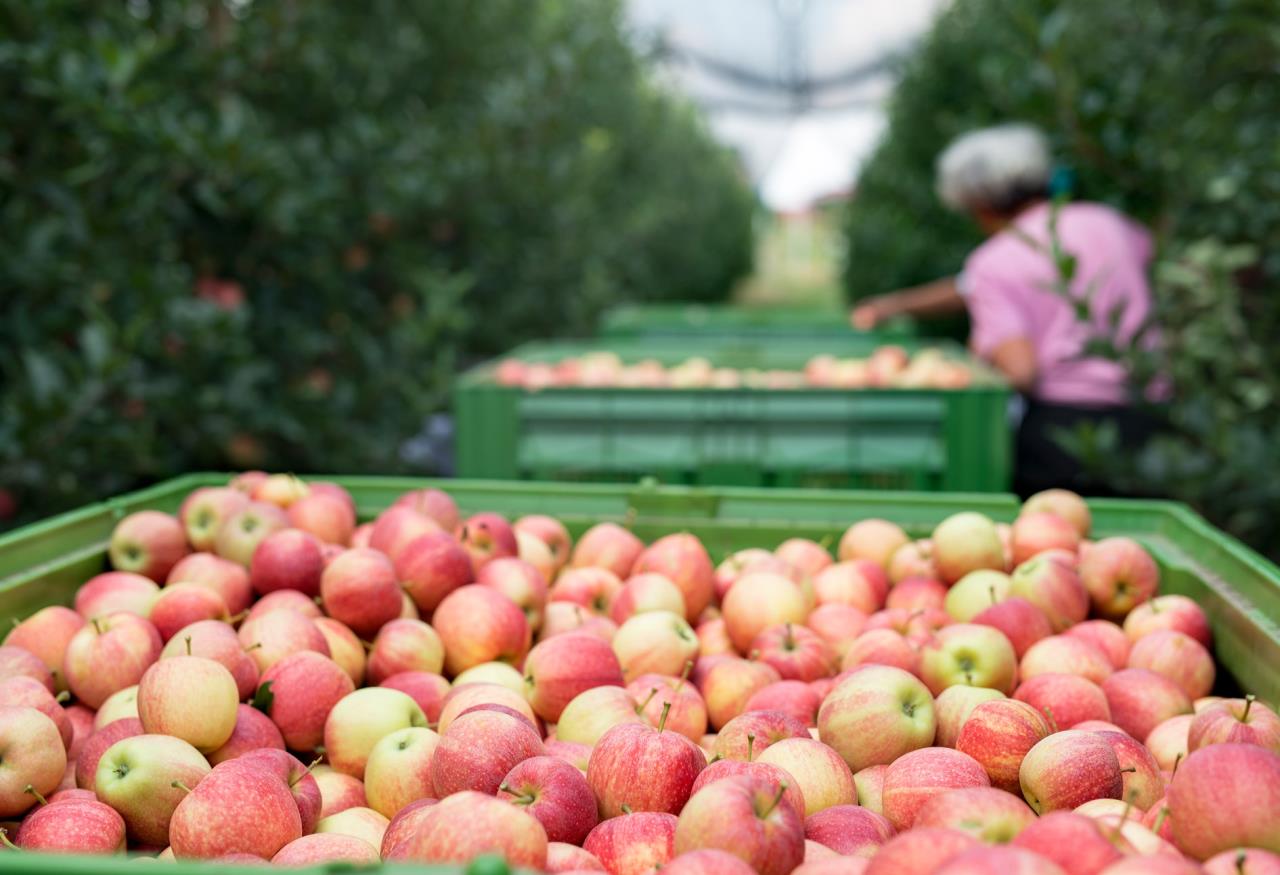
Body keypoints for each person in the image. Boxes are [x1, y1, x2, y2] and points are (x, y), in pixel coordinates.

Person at [852, 124, 1159, 497]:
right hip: (1151, 419)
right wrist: (893, 306)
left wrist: (978, 356)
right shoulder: (1110, 223)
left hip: (1064, 436)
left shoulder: (995, 261)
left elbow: (1020, 370)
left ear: (979, 204)